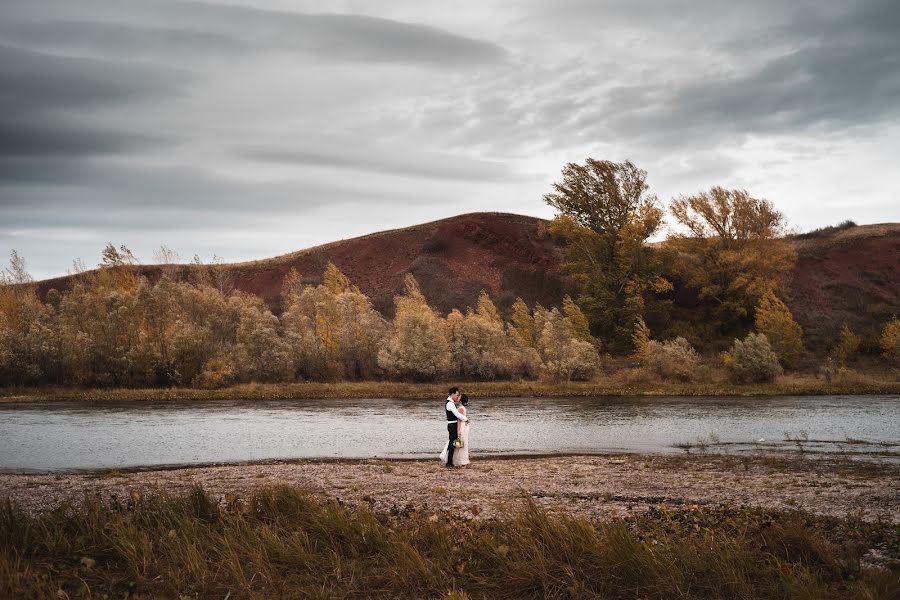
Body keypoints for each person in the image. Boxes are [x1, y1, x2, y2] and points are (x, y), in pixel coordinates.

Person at [442, 386, 467, 468]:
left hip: (453, 425)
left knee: (453, 443)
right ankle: (449, 462)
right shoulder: (450, 404)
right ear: (452, 394)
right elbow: (457, 414)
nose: (457, 396)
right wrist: (465, 419)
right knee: (452, 443)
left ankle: (452, 460)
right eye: (456, 395)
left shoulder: (451, 403)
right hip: (452, 425)